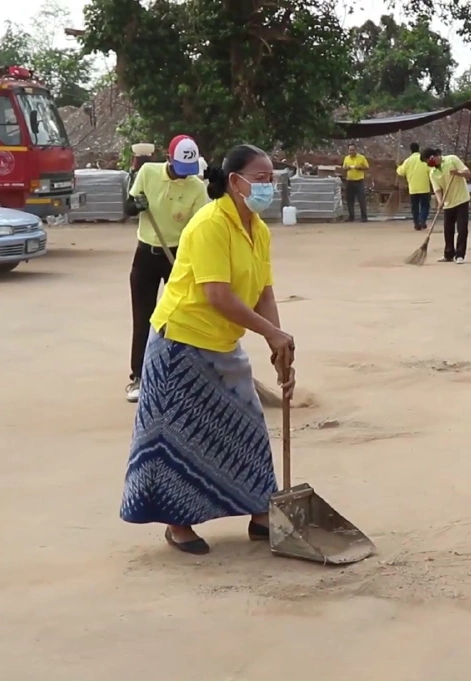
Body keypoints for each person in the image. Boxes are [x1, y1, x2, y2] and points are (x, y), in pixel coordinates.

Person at [121, 144, 295, 555]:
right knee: (179, 438)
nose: (269, 185)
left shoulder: (258, 229)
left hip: (221, 343)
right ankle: (177, 524)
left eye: (272, 177)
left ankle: (260, 513)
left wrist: (278, 339)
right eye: (261, 178)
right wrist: (270, 333)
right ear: (235, 182)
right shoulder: (209, 224)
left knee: (247, 428)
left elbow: (263, 290)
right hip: (181, 343)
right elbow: (218, 295)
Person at [122, 135, 210, 403]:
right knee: (144, 317)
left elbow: (201, 226)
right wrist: (135, 205)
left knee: (180, 318)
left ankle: (183, 374)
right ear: (169, 159)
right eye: (180, 170)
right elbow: (128, 207)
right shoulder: (147, 173)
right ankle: (138, 377)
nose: (184, 177)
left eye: (189, 171)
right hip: (146, 254)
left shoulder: (196, 188)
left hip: (178, 257)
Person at [424, 148, 471, 264]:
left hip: (461, 199)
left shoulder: (452, 160)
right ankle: (448, 254)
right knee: (448, 229)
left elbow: (467, 173)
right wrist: (440, 201)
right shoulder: (433, 173)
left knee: (462, 228)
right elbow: (437, 190)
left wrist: (457, 173)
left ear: (435, 156)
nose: (429, 163)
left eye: (429, 160)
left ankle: (460, 255)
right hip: (448, 203)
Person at [397, 142, 432, 231]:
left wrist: (398, 167)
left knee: (414, 206)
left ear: (411, 150)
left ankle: (416, 223)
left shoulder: (408, 161)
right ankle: (422, 219)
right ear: (418, 149)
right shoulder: (423, 159)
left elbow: (401, 172)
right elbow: (431, 170)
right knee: (425, 205)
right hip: (424, 187)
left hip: (413, 188)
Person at [342, 143, 369, 222]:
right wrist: (346, 168)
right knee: (349, 199)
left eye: (353, 150)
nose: (351, 151)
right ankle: (351, 216)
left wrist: (360, 167)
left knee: (361, 199)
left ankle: (364, 217)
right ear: (348, 151)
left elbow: (367, 167)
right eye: (350, 150)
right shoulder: (346, 158)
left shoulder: (361, 157)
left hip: (359, 181)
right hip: (350, 181)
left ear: (356, 150)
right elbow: (344, 167)